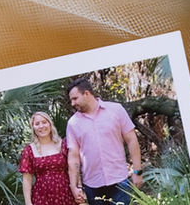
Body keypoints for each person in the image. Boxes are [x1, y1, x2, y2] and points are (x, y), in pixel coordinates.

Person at [66, 77, 144, 205]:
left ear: (87, 93)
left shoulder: (116, 110)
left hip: (120, 181)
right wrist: (74, 186)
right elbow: (73, 156)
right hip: (92, 185)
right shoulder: (73, 123)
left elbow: (132, 140)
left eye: (75, 98)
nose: (72, 103)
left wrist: (137, 171)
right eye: (71, 100)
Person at [18, 111, 78, 205]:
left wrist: (78, 188)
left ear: (50, 124)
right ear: (33, 127)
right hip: (41, 197)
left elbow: (74, 168)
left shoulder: (63, 144)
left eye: (44, 122)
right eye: (37, 124)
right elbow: (27, 180)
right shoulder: (29, 150)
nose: (41, 126)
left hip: (66, 193)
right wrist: (28, 203)